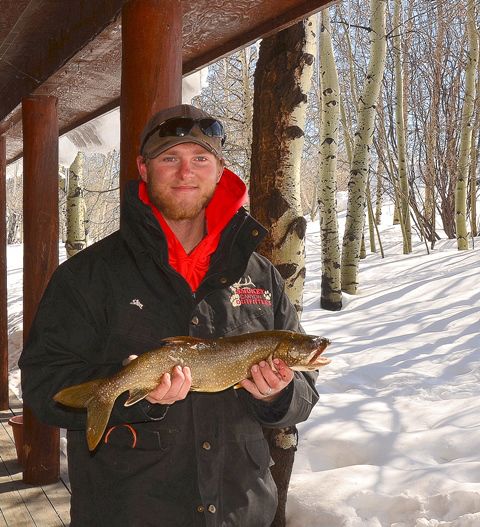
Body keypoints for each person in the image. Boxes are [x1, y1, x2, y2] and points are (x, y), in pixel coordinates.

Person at [19, 104, 319, 527]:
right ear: (144, 168)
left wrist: (278, 395)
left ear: (220, 172)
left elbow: (304, 390)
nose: (185, 172)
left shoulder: (260, 275)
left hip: (241, 513)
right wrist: (130, 390)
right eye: (169, 158)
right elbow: (42, 384)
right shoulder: (87, 276)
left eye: (200, 159)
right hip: (130, 513)